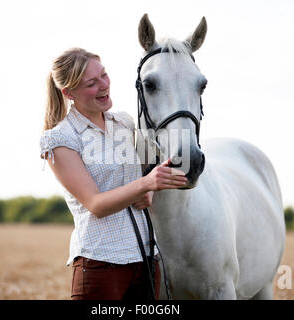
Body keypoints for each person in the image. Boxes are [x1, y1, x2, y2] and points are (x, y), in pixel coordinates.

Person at [39, 48, 187, 300]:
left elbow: (146, 172)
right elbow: (96, 204)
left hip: (147, 259)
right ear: (69, 93)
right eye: (91, 83)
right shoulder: (59, 138)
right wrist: (144, 184)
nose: (103, 86)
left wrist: (149, 189)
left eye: (104, 75)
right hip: (100, 264)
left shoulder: (126, 122)